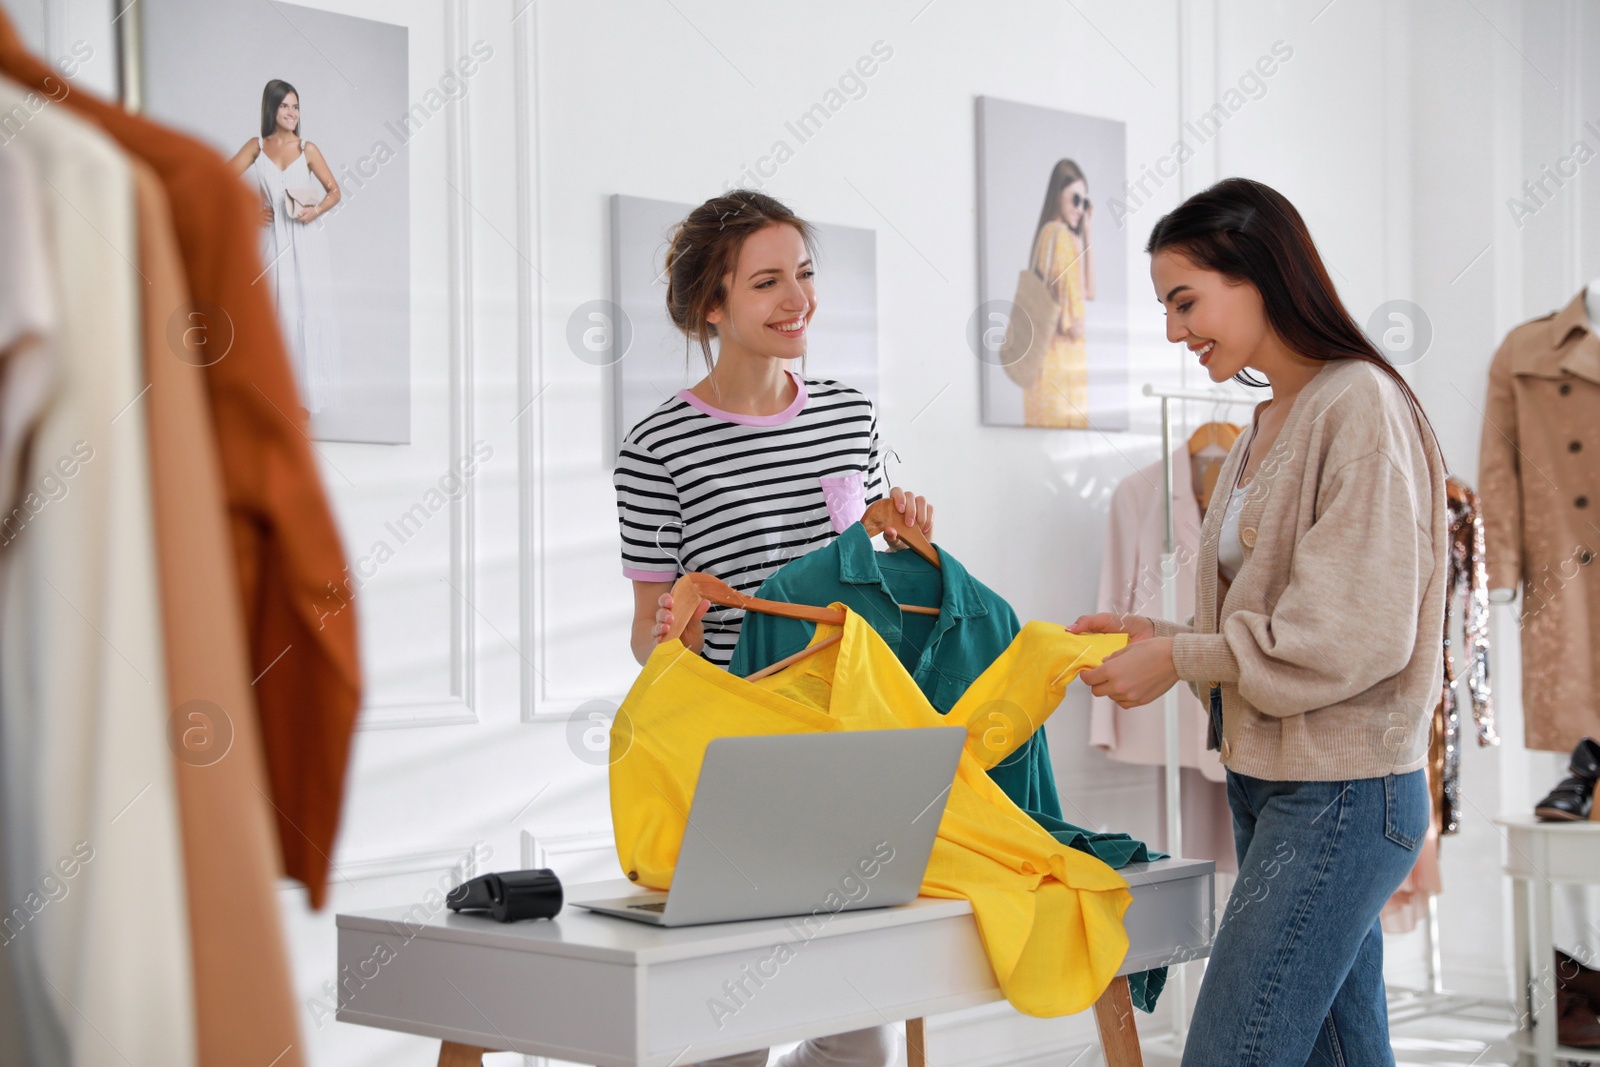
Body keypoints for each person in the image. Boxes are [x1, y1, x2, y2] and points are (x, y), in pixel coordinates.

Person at [1069, 177, 1448, 1064]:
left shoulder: (1358, 404)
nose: (1173, 329)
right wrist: (1157, 633)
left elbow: (1352, 631)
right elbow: (1273, 611)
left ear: (1259, 273)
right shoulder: (1268, 419)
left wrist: (1178, 657)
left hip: (1343, 793)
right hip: (1279, 781)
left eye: (1185, 300)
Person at [614, 190, 930, 1067]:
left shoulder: (847, 415)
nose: (798, 300)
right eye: (767, 282)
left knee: (856, 1033)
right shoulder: (658, 448)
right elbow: (647, 633)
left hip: (843, 735)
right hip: (736, 746)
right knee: (728, 1035)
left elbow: (866, 573)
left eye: (804, 274)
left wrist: (902, 532)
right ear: (712, 306)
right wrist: (676, 626)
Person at [227, 79, 342, 414]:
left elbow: (334, 191)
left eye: (295, 106)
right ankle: (267, 397)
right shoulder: (256, 147)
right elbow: (220, 181)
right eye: (284, 106)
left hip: (305, 242)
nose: (291, 113)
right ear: (271, 108)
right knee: (273, 312)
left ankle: (302, 404)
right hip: (271, 240)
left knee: (306, 310)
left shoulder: (307, 149)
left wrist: (314, 211)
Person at [1022, 158, 1095, 428]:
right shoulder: (1061, 238)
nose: (1079, 208)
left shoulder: (1045, 235)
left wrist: (1086, 233)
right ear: (1058, 195)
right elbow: (1076, 328)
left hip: (1042, 375)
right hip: (1062, 376)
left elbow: (1088, 291)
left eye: (1084, 203)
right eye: (1075, 199)